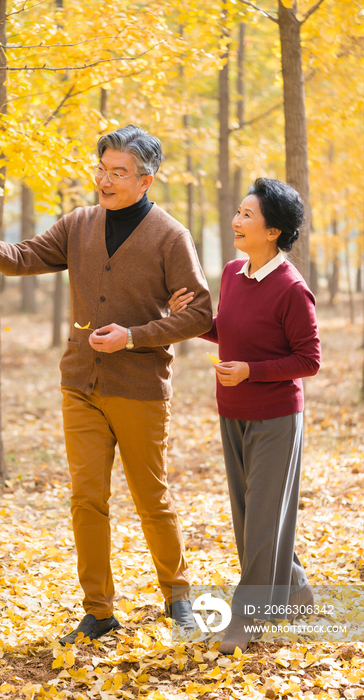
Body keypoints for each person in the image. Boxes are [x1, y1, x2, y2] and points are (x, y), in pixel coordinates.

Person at [0, 125, 213, 644]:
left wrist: (133, 336)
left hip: (140, 387)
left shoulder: (171, 236)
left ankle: (178, 599)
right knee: (87, 499)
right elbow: (22, 259)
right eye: (101, 169)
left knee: (151, 497)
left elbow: (199, 312)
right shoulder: (78, 224)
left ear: (146, 180)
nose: (104, 180)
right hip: (80, 385)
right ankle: (99, 610)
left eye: (118, 172)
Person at [169, 178, 320, 653]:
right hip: (230, 410)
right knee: (248, 517)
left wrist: (252, 372)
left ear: (273, 231)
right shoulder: (234, 273)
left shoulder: (292, 289)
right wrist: (193, 319)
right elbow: (228, 331)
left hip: (276, 418)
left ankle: (248, 621)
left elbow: (309, 359)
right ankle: (295, 591)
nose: (236, 221)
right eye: (237, 212)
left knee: (261, 522)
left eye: (247, 215)